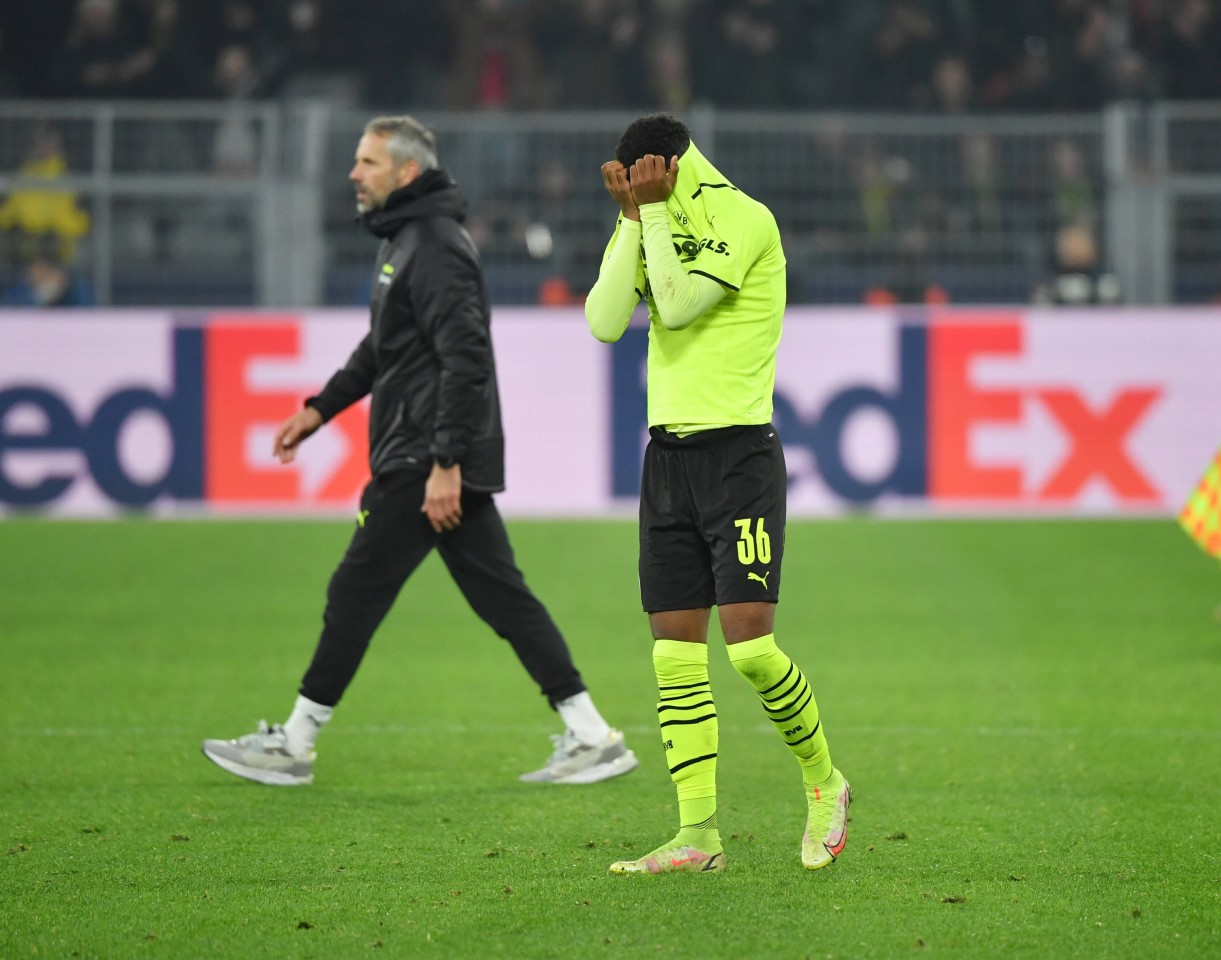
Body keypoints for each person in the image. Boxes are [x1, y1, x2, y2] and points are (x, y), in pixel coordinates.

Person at [202, 115, 637, 789]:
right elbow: (385, 349)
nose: (354, 174)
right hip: (427, 451)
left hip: (423, 457)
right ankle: (590, 733)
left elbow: (465, 359)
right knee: (503, 598)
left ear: (406, 172)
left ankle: (295, 742)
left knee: (355, 591)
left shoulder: (432, 246)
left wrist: (445, 462)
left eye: (368, 162)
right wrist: (321, 408)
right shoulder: (406, 241)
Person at [584, 113, 850, 875]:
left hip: (738, 455)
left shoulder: (743, 216)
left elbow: (672, 307)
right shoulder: (649, 213)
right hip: (666, 458)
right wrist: (633, 222)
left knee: (751, 650)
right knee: (674, 652)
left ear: (661, 164)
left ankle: (825, 783)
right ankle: (697, 837)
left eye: (637, 176)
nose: (630, 186)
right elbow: (605, 322)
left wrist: (657, 213)